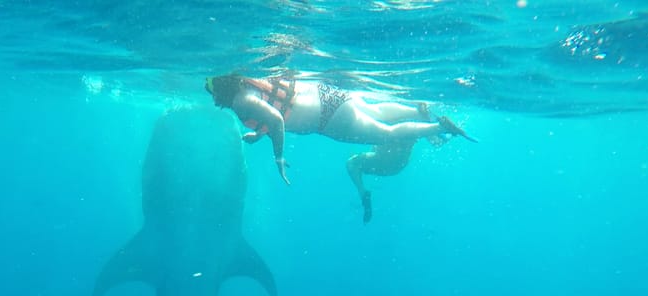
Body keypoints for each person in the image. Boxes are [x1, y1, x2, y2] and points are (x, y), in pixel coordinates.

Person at [204, 74, 476, 187]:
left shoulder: (240, 102)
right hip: (331, 97)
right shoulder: (252, 86)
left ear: (221, 87)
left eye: (210, 89)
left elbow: (276, 119)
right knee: (378, 112)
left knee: (386, 134)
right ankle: (420, 114)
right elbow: (274, 113)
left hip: (328, 119)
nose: (211, 96)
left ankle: (437, 126)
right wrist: (259, 134)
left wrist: (278, 157)